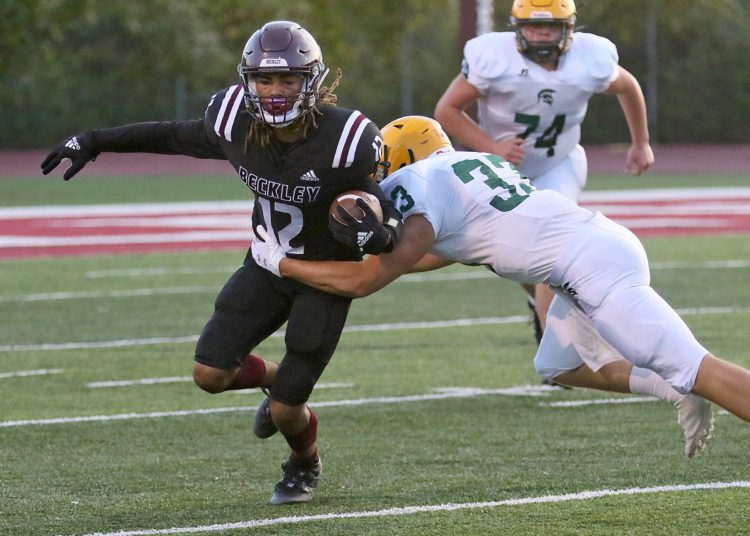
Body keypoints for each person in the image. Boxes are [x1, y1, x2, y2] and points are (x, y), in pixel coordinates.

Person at [40, 20, 403, 505]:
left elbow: (386, 213)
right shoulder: (233, 119)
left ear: (311, 82)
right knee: (209, 375)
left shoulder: (347, 137)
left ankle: (303, 462)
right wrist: (95, 139)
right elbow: (171, 135)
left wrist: (378, 232)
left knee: (287, 410)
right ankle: (274, 382)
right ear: (247, 81)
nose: (275, 92)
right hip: (266, 262)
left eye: (288, 80)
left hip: (325, 277)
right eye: (264, 80)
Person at [252, 116, 750, 458]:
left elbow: (365, 280)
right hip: (590, 253)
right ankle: (679, 391)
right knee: (560, 365)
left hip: (591, 267)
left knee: (697, 366)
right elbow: (431, 254)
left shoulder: (416, 182)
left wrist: (283, 264)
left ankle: (690, 383)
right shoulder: (471, 170)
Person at [433, 0, 655, 344]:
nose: (539, 36)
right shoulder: (494, 57)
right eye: (532, 27)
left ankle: (559, 346)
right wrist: (493, 147)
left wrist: (641, 142)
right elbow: (446, 110)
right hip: (499, 170)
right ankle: (540, 306)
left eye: (549, 27)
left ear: (568, 29)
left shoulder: (589, 58)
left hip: (558, 164)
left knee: (549, 248)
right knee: (507, 255)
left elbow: (628, 87)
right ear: (517, 27)